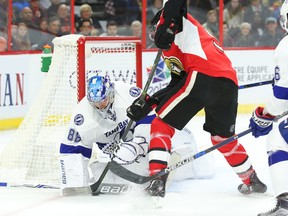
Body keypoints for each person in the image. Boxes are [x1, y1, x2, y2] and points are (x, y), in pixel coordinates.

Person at [126, 0, 267, 198]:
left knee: (161, 125)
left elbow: (174, 4)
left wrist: (166, 25)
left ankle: (156, 180)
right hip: (227, 82)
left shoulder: (178, 21)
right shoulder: (173, 47)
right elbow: (177, 85)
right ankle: (251, 180)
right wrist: (149, 102)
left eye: (155, 27)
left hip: (203, 74)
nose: (153, 32)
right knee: (222, 138)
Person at [59, 74, 210, 196]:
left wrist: (138, 145)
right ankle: (155, 174)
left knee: (180, 150)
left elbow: (153, 120)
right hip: (120, 158)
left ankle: (172, 162)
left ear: (111, 92)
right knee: (101, 174)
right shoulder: (82, 117)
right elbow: (72, 150)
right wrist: (74, 183)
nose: (101, 106)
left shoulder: (127, 93)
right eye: (96, 103)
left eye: (103, 100)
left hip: (144, 144)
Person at [248, 1, 288, 215]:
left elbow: (283, 95)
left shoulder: (286, 46)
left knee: (278, 140)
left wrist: (263, 115)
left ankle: (285, 205)